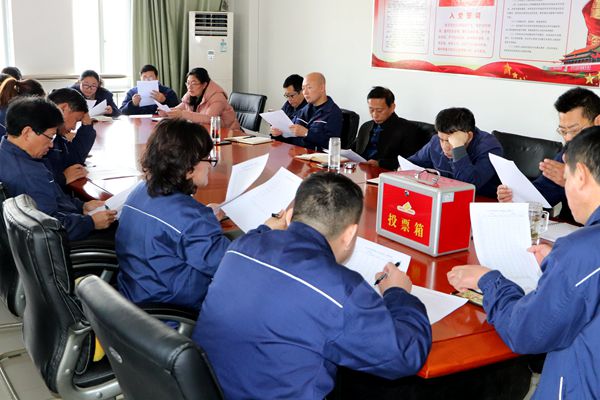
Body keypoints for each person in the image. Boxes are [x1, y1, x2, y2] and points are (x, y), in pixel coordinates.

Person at [193, 171, 432, 399]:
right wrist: (398, 293)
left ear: (289, 216)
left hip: (204, 389)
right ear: (350, 234)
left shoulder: (241, 247)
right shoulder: (342, 290)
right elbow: (405, 355)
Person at [447, 126, 600, 399]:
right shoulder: (581, 255)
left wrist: (488, 280)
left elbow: (526, 332)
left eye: (566, 177)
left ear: (581, 175)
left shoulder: (581, 250)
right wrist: (562, 263)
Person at [115, 119, 231, 311]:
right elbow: (231, 265)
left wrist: (204, 217)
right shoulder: (192, 219)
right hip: (171, 315)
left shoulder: (139, 191)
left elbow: (174, 222)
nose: (211, 165)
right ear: (188, 167)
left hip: (133, 300)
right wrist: (264, 230)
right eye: (207, 158)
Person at [0, 97, 116, 241]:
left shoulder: (10, 153)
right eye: (50, 137)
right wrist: (91, 222)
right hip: (61, 241)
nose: (51, 145)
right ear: (27, 133)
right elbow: (50, 228)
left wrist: (82, 206)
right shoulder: (28, 174)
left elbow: (55, 198)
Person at [497, 87, 600, 222]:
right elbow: (542, 196)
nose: (568, 138)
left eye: (574, 130)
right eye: (563, 131)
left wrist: (572, 182)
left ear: (598, 121)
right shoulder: (568, 153)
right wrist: (515, 197)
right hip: (568, 228)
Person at [408, 107, 502, 197]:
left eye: (449, 141)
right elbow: (410, 164)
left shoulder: (490, 147)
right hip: (446, 196)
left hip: (480, 201)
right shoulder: (435, 141)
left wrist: (458, 147)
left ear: (468, 136)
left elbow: (468, 186)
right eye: (441, 139)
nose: (444, 147)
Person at [353, 86, 430, 170]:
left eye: (379, 110)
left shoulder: (408, 130)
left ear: (392, 107)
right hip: (360, 169)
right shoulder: (366, 126)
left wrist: (380, 163)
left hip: (385, 172)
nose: (374, 115)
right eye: (371, 110)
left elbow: (409, 161)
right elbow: (355, 149)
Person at [270, 72, 342, 150]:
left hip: (315, 156)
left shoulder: (333, 112)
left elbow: (332, 144)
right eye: (303, 88)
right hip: (295, 153)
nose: (305, 92)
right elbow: (290, 137)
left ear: (322, 88)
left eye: (309, 87)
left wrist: (306, 133)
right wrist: (279, 134)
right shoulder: (304, 110)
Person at [45, 88, 96, 190]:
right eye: (76, 120)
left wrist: (87, 126)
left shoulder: (57, 137)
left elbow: (74, 160)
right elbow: (37, 183)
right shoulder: (41, 136)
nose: (73, 127)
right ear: (63, 108)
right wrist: (63, 178)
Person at [163, 67, 240, 130]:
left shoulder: (217, 97)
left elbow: (209, 119)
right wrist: (166, 111)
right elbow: (179, 108)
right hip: (205, 132)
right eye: (188, 83)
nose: (189, 87)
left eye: (193, 83)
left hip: (228, 134)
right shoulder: (190, 94)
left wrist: (183, 114)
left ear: (204, 85)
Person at [272, 74, 308, 144]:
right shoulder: (288, 105)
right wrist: (275, 132)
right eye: (287, 96)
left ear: (302, 92)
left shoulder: (309, 108)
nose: (289, 99)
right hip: (286, 145)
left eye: (291, 95)